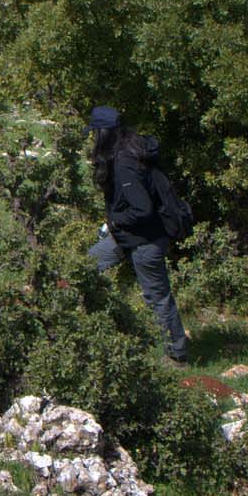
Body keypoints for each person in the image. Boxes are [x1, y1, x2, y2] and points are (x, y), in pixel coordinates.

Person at [86, 106, 189, 365]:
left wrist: (113, 222)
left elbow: (142, 209)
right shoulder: (129, 149)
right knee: (84, 267)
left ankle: (177, 356)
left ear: (104, 133)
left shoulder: (125, 163)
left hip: (146, 240)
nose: (93, 139)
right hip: (129, 235)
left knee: (157, 296)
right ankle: (84, 329)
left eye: (95, 133)